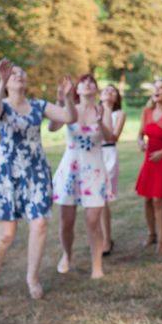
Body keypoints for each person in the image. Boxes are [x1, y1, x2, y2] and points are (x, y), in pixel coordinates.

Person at [0, 58, 77, 299]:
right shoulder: (1, 105)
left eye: (22, 73)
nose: (19, 76)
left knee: (40, 224)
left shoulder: (38, 105)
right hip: (7, 173)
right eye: (14, 74)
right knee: (6, 234)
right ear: (7, 82)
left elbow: (68, 117)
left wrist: (66, 97)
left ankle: (32, 277)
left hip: (35, 172)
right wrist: (1, 81)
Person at [51, 74, 113, 279]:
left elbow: (110, 137)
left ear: (96, 90)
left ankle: (97, 264)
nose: (88, 84)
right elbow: (52, 127)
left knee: (93, 220)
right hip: (71, 169)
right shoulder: (71, 109)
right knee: (66, 221)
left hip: (94, 170)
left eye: (92, 82)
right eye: (83, 82)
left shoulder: (103, 110)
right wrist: (62, 100)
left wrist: (100, 122)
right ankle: (66, 255)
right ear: (76, 90)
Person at [135, 79, 162, 254]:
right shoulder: (146, 112)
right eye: (155, 87)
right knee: (147, 199)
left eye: (161, 88)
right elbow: (140, 134)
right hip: (149, 160)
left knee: (158, 200)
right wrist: (140, 142)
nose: (157, 90)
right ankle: (151, 233)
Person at [100, 84, 126, 256]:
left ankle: (106, 239)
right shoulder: (93, 110)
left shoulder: (119, 114)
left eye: (113, 91)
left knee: (102, 199)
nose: (109, 92)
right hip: (93, 153)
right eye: (106, 90)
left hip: (108, 154)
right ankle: (100, 237)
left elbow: (112, 136)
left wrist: (107, 109)